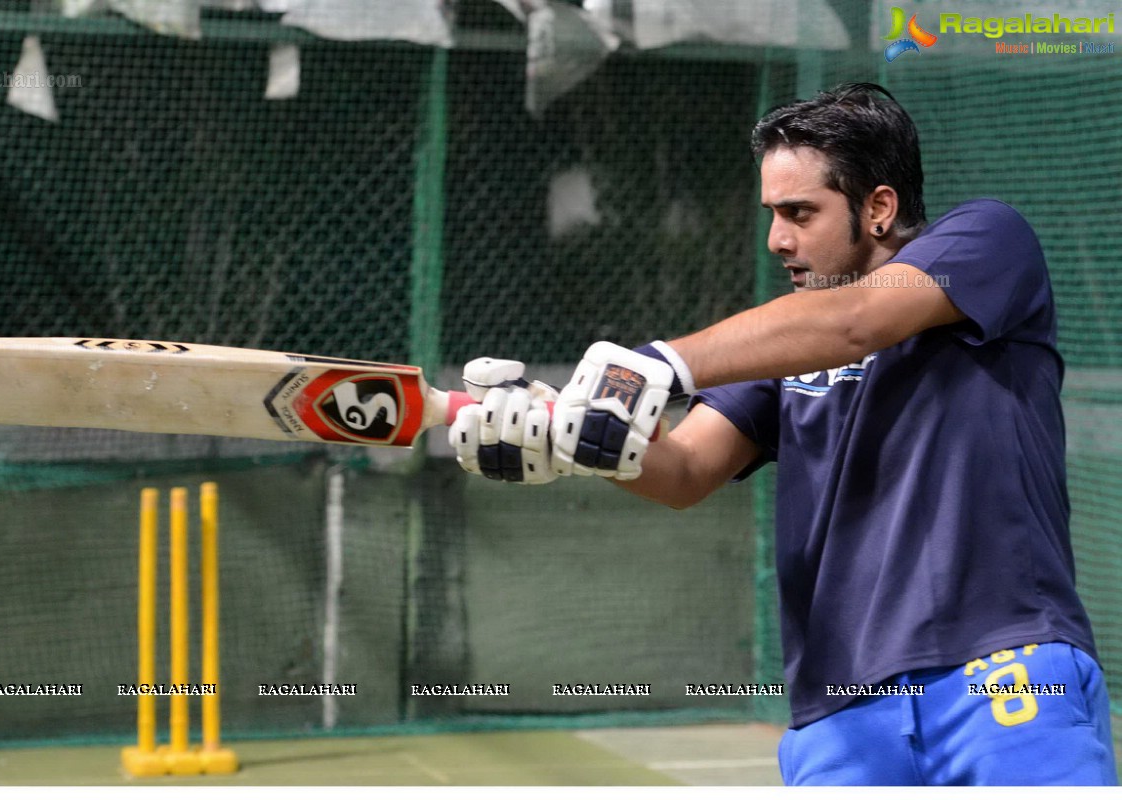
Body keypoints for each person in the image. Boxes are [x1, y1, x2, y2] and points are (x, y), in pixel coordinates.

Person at [449, 83, 1117, 786]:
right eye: (773, 214)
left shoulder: (987, 241)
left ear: (880, 209)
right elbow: (683, 471)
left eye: (800, 212)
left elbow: (858, 321)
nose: (778, 239)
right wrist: (573, 440)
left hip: (1001, 669)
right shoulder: (787, 345)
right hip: (838, 712)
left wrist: (657, 364)